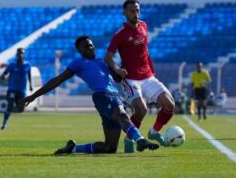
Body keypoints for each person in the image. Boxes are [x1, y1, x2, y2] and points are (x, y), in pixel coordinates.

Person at [22, 36, 159, 155]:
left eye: (92, 45)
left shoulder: (102, 61)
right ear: (80, 50)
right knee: (122, 115)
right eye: (87, 46)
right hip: (103, 96)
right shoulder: (78, 63)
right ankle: (140, 140)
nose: (91, 48)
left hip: (115, 96)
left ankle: (73, 148)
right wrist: (34, 96)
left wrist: (120, 72)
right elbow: (57, 80)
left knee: (109, 148)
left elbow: (116, 79)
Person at [105, 0, 175, 152]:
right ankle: (129, 138)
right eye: (131, 10)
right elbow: (108, 57)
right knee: (141, 110)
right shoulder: (120, 34)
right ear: (124, 12)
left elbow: (144, 51)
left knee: (170, 105)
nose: (135, 13)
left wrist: (151, 69)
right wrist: (117, 70)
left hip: (148, 77)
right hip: (130, 79)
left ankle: (154, 132)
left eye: (137, 10)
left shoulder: (144, 26)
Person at [0, 48, 32, 130]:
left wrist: (31, 85)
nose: (20, 55)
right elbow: (4, 73)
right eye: (19, 53)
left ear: (24, 55)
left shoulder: (27, 65)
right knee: (9, 106)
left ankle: (14, 108)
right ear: (17, 54)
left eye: (22, 53)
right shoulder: (12, 65)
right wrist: (3, 76)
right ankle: (4, 124)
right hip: (12, 89)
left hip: (22, 91)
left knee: (21, 110)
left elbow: (29, 75)